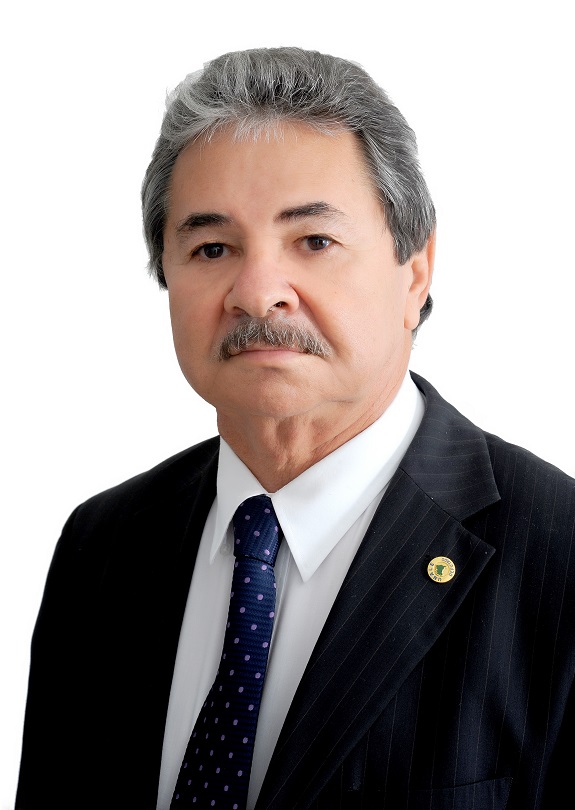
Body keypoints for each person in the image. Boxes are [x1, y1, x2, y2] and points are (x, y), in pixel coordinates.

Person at [15, 47, 574, 810]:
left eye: (313, 241)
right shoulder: (104, 544)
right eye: (212, 248)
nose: (256, 293)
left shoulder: (557, 556)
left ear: (414, 270)